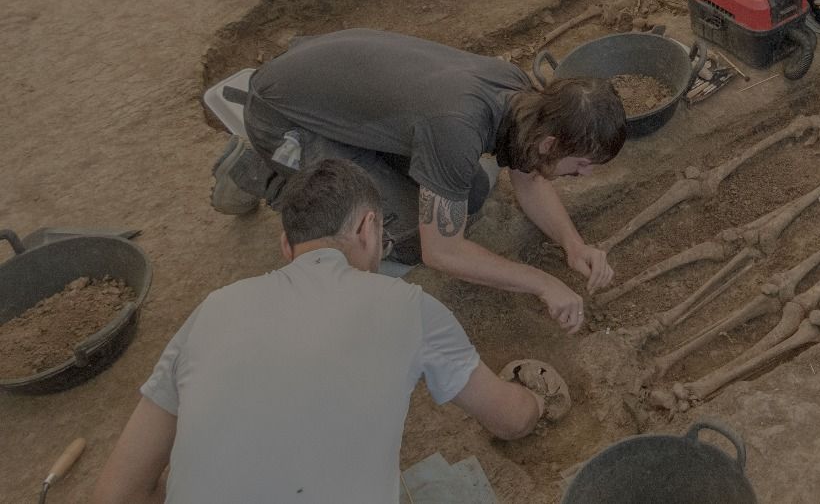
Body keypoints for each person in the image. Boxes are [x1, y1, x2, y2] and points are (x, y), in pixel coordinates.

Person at [93, 160, 564, 504]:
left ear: (286, 247)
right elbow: (509, 420)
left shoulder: (214, 310)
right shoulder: (407, 306)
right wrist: (537, 401)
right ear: (368, 227)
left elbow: (115, 493)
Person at [212, 28, 625, 332]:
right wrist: (543, 282)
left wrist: (573, 245)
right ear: (550, 143)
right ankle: (261, 173)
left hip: (328, 92)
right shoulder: (458, 125)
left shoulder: (519, 94)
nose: (583, 174)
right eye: (583, 163)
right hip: (284, 116)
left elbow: (529, 178)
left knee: (473, 192)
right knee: (403, 238)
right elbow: (442, 253)